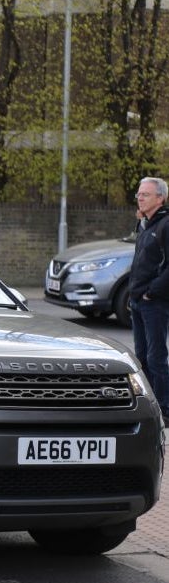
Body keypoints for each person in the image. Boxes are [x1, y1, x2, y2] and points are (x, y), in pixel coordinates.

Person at [130, 175, 169, 421]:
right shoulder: (146, 225)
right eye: (139, 195)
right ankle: (149, 407)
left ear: (160, 198)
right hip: (137, 302)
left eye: (145, 194)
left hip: (154, 302)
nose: (140, 198)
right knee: (141, 357)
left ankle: (164, 410)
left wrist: (151, 291)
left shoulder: (165, 225)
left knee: (156, 358)